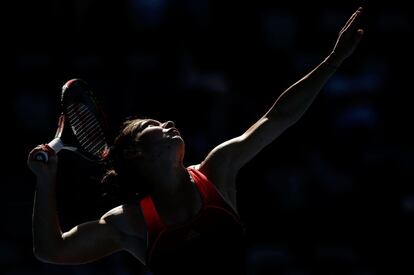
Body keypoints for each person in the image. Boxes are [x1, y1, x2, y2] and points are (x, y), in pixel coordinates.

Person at [27, 7, 364, 275]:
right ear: (135, 151)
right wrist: (45, 180)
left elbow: (277, 118)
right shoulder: (129, 222)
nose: (169, 122)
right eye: (153, 125)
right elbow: (50, 250)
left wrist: (332, 61)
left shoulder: (217, 170)